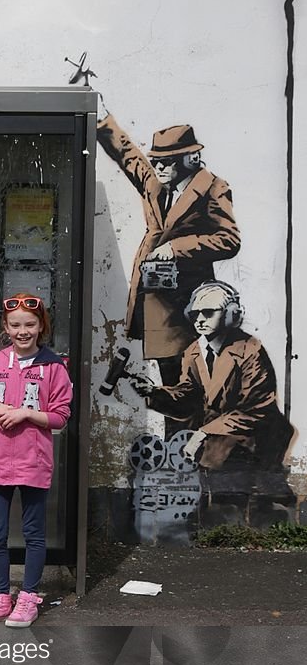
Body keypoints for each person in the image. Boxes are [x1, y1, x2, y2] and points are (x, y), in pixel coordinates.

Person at [96, 111, 240, 385]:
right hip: (156, 305)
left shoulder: (213, 188)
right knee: (171, 386)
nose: (159, 168)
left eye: (167, 162)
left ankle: (185, 429)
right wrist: (103, 117)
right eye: (157, 162)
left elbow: (229, 239)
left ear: (189, 160)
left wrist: (178, 247)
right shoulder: (157, 187)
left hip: (188, 307)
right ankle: (175, 429)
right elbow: (130, 158)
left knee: (190, 386)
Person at [0, 295, 73, 628]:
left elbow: (61, 416)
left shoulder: (54, 367)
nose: (22, 331)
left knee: (33, 534)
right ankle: (0, 597)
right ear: (5, 327)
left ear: (42, 326)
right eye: (15, 325)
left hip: (33, 461)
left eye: (30, 324)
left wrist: (28, 413)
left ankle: (28, 597)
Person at [129, 281, 293, 470]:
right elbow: (188, 397)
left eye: (208, 312)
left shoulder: (250, 349)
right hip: (218, 441)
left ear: (230, 315)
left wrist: (205, 432)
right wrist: (154, 392)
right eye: (194, 314)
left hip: (256, 442)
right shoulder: (193, 351)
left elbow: (255, 410)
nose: (199, 319)